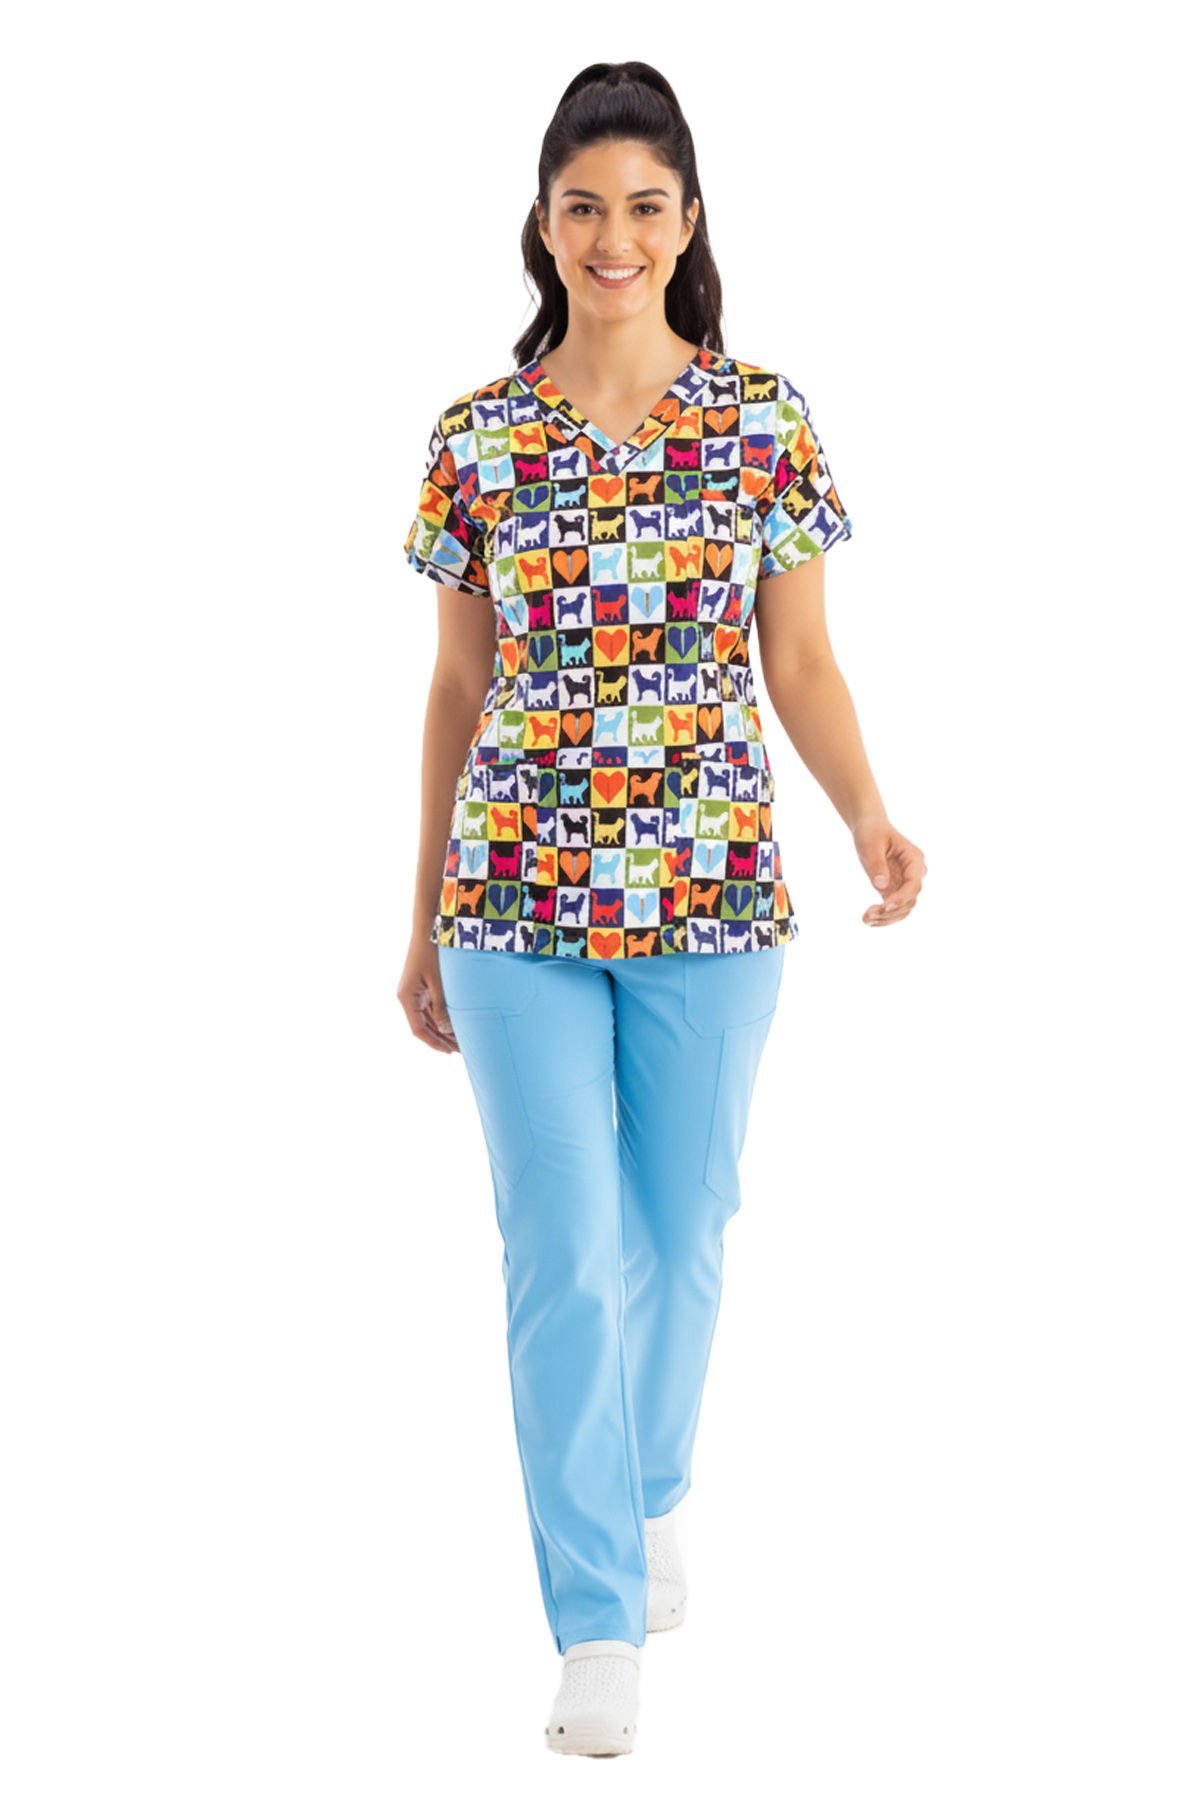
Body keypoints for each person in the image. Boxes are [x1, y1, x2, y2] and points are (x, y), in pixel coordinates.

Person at [396, 61, 926, 1757]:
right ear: (542, 225)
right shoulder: (477, 438)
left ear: (688, 221)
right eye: (582, 207)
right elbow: (456, 689)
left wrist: (868, 816)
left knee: (683, 1229)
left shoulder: (763, 419)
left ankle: (649, 1482)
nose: (611, 237)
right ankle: (596, 1618)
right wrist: (418, 913)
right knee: (558, 1250)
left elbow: (802, 660)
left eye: (642, 206)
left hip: (712, 892)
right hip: (513, 903)